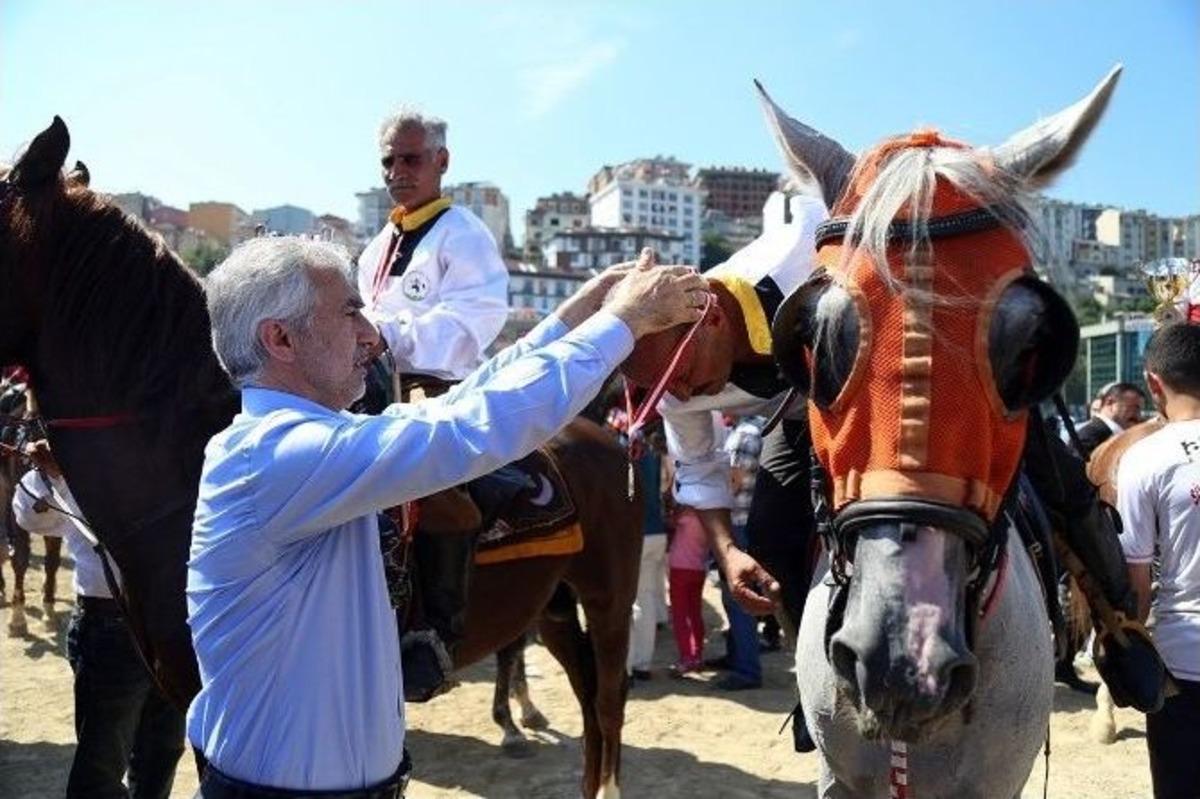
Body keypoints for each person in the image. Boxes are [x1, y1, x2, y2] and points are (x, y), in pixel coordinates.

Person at [188, 236, 705, 797]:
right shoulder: (275, 455)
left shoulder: (297, 441)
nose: (370, 333)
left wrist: (573, 314)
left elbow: (457, 406)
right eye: (350, 311)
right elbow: (466, 430)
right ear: (280, 338)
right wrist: (625, 321)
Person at [355, 108, 509, 692]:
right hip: (372, 390)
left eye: (410, 159)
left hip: (435, 391)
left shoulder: (464, 232)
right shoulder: (377, 246)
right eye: (389, 161)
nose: (398, 171)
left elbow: (476, 320)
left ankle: (435, 636)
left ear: (442, 162)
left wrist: (388, 336)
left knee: (434, 495)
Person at [13, 441, 184, 799]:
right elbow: (31, 517)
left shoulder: (173, 439)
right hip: (111, 621)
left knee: (162, 752)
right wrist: (54, 475)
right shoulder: (81, 452)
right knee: (102, 766)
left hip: (171, 621)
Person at [1115, 323, 1200, 798]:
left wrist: (1127, 648)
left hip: (1185, 657)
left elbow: (1137, 578)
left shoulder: (1145, 458)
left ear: (1153, 383)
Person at [704, 415, 764, 690]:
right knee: (737, 599)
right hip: (750, 522)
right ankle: (738, 657)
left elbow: (733, 483)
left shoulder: (743, 435)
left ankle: (746, 669)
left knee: (738, 600)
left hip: (737, 523)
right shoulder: (760, 427)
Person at [627, 428, 668, 681]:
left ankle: (627, 667)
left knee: (631, 604)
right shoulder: (655, 451)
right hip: (657, 531)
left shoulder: (624, 453)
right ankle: (643, 663)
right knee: (648, 598)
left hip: (636, 535)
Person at [667, 504, 710, 676]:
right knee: (695, 613)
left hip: (679, 567)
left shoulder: (684, 515)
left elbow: (670, 522)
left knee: (679, 615)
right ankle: (697, 655)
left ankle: (686, 657)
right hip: (699, 568)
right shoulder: (708, 516)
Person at [1076, 382, 1145, 458]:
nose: (1138, 415)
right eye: (1134, 407)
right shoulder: (1089, 437)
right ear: (1110, 403)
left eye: (1140, 409)